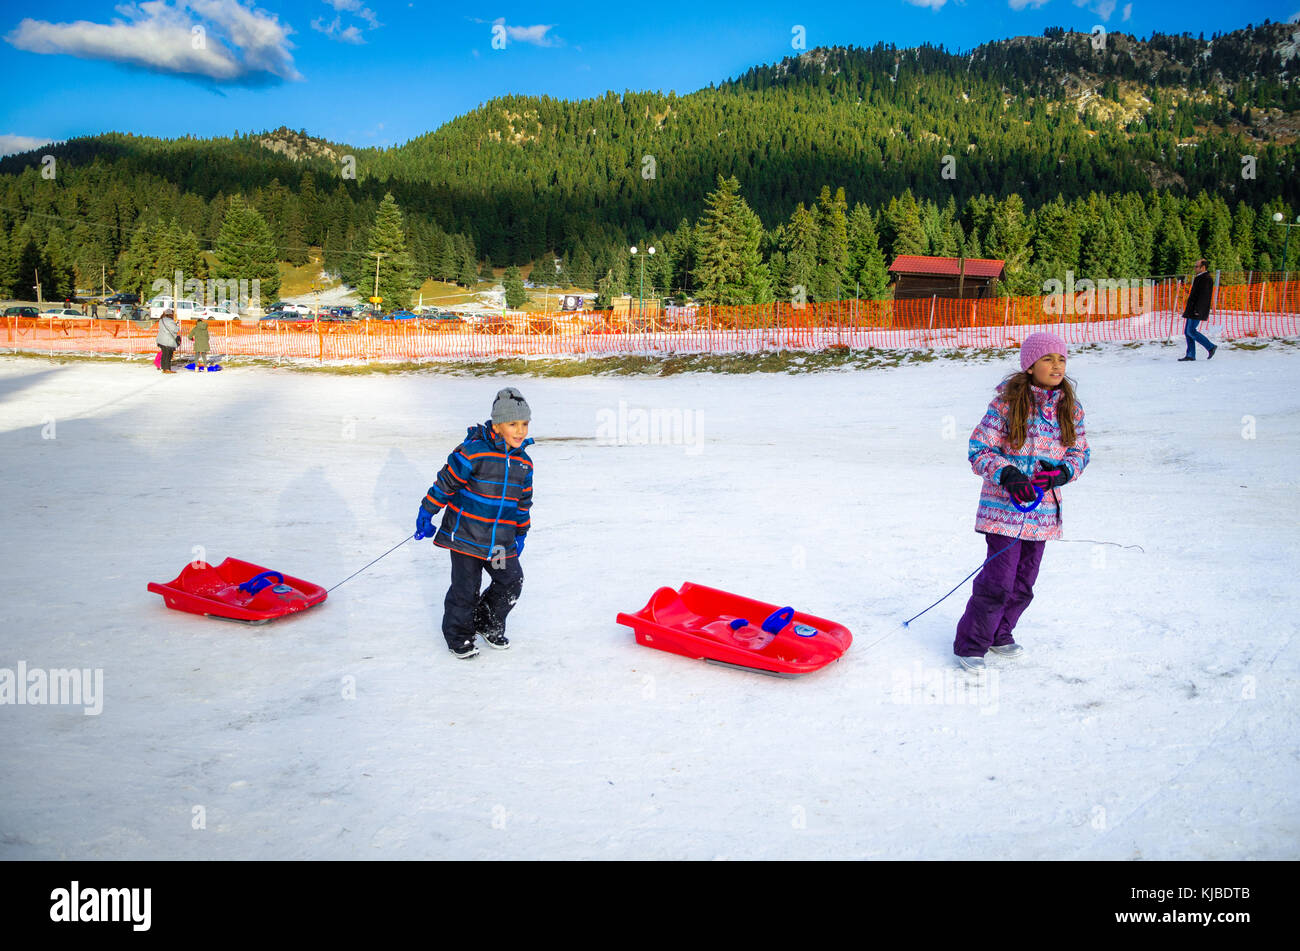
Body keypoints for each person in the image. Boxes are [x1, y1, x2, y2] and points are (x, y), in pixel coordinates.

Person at [953, 332, 1090, 672]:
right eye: (1047, 359)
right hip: (1003, 512)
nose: (1056, 365)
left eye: (1061, 359)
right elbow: (978, 450)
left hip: (1042, 513)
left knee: (1024, 583)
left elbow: (1080, 452)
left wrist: (1061, 472)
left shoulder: (1070, 409)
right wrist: (1008, 474)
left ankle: (1001, 633)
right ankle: (971, 644)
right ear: (1030, 366)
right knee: (998, 581)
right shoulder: (1006, 404)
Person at [415, 387, 534, 659]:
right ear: (497, 424)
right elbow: (446, 483)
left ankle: (487, 622)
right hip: (466, 538)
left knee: (511, 581)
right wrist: (427, 510)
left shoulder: (524, 464)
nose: (520, 431)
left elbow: (523, 502)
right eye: (513, 424)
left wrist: (521, 531)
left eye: (524, 424)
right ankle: (459, 635)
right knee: (466, 589)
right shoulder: (473, 452)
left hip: (499, 545)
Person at [1178, 258, 1217, 361]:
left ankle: (1210, 347)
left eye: (1196, 266)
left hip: (1197, 310)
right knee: (1187, 332)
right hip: (1192, 309)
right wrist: (1182, 284)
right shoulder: (1199, 278)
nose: (1194, 268)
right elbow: (1193, 294)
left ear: (1203, 267)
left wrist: (1198, 310)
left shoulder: (1206, 279)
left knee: (1191, 331)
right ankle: (1191, 354)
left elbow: (1204, 297)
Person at [156, 308, 180, 373]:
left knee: (164, 354)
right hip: (168, 340)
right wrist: (177, 326)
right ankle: (167, 369)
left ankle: (163, 368)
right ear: (170, 314)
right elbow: (175, 330)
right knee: (168, 355)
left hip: (161, 340)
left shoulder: (161, 320)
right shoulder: (170, 321)